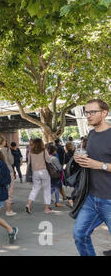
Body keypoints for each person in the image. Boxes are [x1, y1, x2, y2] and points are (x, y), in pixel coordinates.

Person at [72, 99, 111, 256]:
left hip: (109, 199)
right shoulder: (92, 134)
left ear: (104, 113)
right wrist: (78, 158)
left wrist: (99, 165)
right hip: (91, 198)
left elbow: (97, 163)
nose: (88, 115)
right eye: (86, 112)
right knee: (79, 235)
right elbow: (90, 159)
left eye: (92, 112)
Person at [25, 138, 53, 214]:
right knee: (47, 190)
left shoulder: (30, 151)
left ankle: (28, 204)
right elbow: (48, 161)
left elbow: (29, 163)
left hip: (35, 172)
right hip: (44, 171)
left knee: (35, 189)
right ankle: (47, 209)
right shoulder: (44, 151)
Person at [0, 135, 16, 217]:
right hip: (8, 171)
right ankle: (8, 210)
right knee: (9, 190)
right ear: (3, 142)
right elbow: (11, 161)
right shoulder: (7, 150)